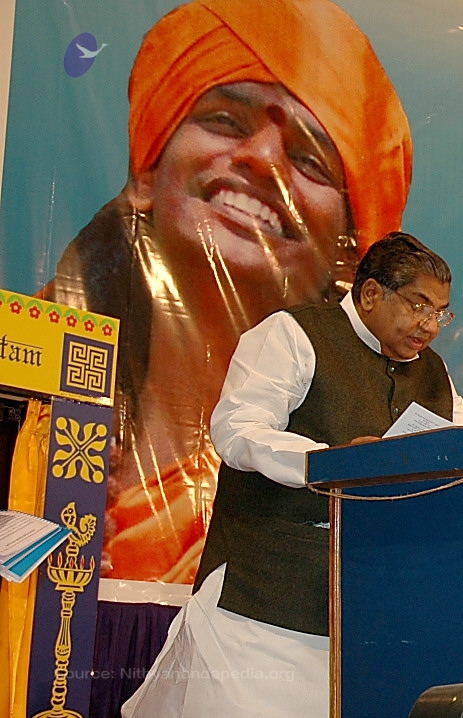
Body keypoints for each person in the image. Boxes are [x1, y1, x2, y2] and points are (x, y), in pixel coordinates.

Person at [117, 233, 463, 718]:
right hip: (263, 600)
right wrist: (332, 462)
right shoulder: (291, 336)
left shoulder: (434, 376)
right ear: (370, 293)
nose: (429, 326)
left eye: (441, 313)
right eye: (417, 305)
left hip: (357, 620)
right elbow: (238, 430)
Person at [44, 0, 412, 589]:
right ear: (147, 172)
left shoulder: (342, 464)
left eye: (309, 160)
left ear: (347, 252)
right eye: (225, 121)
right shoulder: (37, 398)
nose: (262, 159)